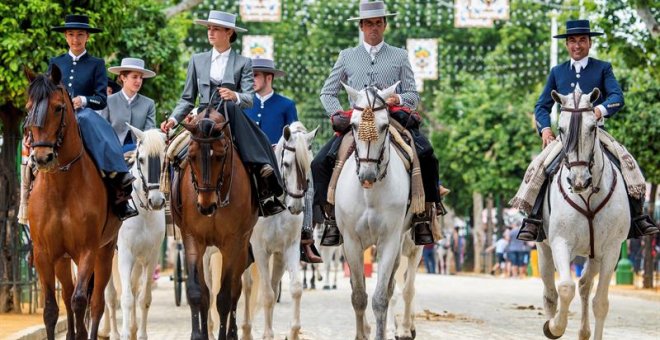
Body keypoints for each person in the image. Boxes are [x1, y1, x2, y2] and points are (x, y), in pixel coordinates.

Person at [312, 1, 448, 247]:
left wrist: (399, 98)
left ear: (384, 25)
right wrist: (336, 115)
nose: (373, 28)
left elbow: (413, 95)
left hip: (390, 119)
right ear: (361, 27)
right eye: (368, 24)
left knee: (427, 154)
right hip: (358, 121)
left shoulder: (400, 55)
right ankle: (330, 218)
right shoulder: (347, 56)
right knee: (320, 162)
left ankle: (424, 215)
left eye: (378, 23)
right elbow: (327, 93)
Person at [517, 19, 659, 241]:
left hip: (594, 133)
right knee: (539, 167)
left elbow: (617, 97)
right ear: (567, 45)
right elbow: (542, 105)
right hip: (565, 138)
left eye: (582, 40)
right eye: (572, 41)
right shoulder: (557, 72)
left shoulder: (603, 68)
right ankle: (533, 220)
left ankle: (638, 217)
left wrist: (599, 111)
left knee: (626, 162)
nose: (577, 45)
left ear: (590, 43)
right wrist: (545, 129)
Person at [159, 10, 285, 216]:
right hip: (202, 117)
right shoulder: (197, 60)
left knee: (256, 134)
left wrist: (234, 95)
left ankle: (263, 185)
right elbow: (187, 98)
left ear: (229, 32)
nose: (210, 32)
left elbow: (249, 98)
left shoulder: (243, 62)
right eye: (209, 28)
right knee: (173, 152)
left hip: (229, 117)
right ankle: (169, 197)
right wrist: (173, 119)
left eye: (216, 29)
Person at [48, 14, 137, 220]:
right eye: (71, 35)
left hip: (84, 113)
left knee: (87, 120)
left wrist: (83, 101)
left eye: (80, 35)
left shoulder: (96, 63)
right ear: (65, 37)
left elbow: (101, 99)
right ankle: (28, 193)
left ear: (87, 37)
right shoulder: (56, 62)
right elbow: (48, 92)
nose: (75, 39)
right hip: (59, 116)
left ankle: (118, 178)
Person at [243, 57, 322, 263]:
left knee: (308, 180)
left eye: (256, 75)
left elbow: (295, 132)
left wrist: (280, 146)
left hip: (279, 163)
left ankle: (306, 236)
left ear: (269, 78)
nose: (252, 80)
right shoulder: (245, 103)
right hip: (249, 161)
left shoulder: (286, 104)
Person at [102, 58, 157, 153]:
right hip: (112, 152)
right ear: (123, 78)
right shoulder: (109, 101)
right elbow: (103, 130)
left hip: (140, 155)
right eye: (134, 77)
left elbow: (149, 134)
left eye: (141, 77)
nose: (139, 81)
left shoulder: (149, 104)